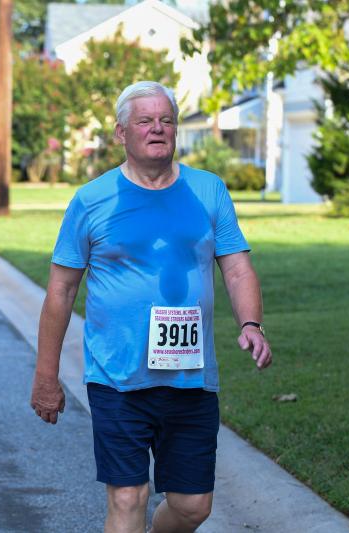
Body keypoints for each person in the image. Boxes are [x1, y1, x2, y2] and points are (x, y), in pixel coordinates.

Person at [30, 81, 272, 533]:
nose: (158, 128)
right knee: (127, 497)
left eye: (166, 120)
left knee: (193, 506)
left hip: (190, 377)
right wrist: (46, 376)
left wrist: (251, 324)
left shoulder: (208, 190)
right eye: (145, 121)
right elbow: (61, 290)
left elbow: (238, 269)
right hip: (117, 377)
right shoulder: (92, 200)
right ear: (121, 133)